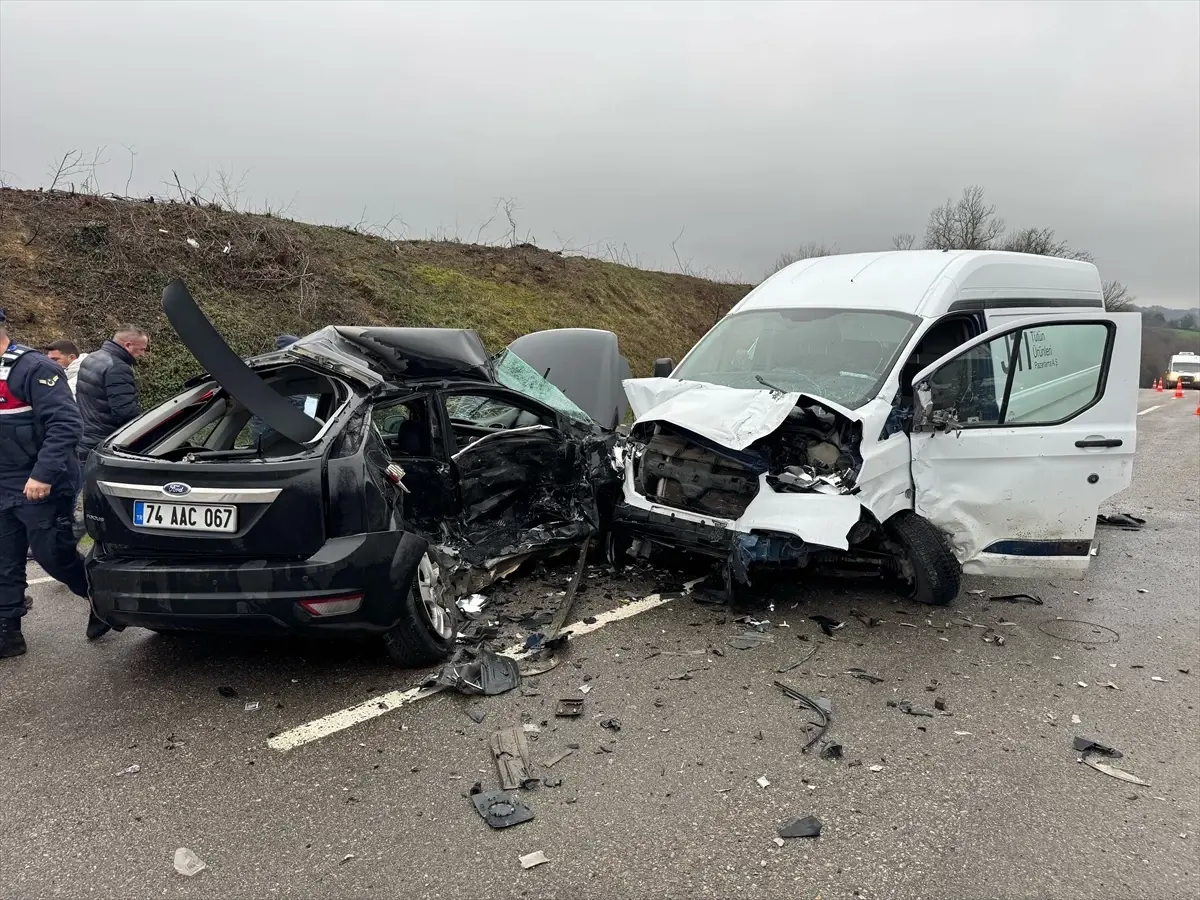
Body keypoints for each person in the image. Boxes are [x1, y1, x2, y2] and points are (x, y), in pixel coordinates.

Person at [0, 308, 108, 659]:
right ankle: (8, 634)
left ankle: (102, 601)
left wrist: (42, 475)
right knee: (4, 561)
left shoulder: (34, 369)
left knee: (53, 557)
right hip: (4, 481)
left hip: (41, 482)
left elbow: (66, 425)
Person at [75, 325, 149, 465]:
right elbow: (125, 412)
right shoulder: (117, 368)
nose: (143, 354)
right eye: (141, 349)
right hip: (103, 441)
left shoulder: (92, 357)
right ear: (128, 345)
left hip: (84, 436)